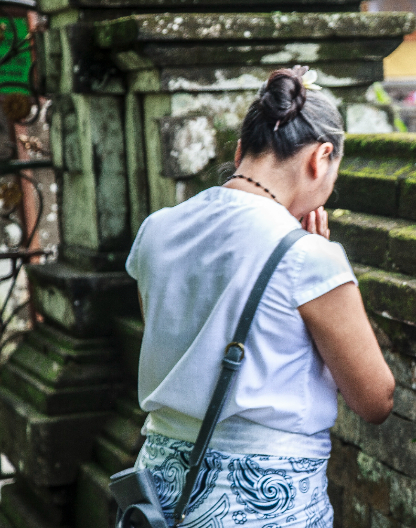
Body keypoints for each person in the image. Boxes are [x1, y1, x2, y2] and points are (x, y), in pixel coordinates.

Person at [125, 66, 395, 526]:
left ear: (239, 150)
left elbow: (175, 342)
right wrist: (322, 268)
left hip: (159, 493)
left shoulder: (157, 229)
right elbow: (375, 400)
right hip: (262, 504)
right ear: (320, 156)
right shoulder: (308, 257)